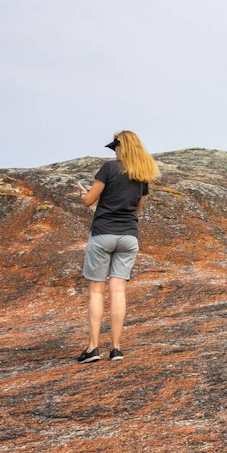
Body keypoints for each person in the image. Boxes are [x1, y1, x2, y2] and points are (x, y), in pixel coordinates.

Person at [76, 131, 159, 363]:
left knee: (96, 291)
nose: (114, 151)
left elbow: (90, 200)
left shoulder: (108, 169)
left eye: (115, 147)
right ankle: (116, 348)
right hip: (128, 237)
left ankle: (93, 348)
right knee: (119, 291)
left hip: (103, 234)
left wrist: (83, 194)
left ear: (121, 148)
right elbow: (137, 208)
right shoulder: (143, 174)